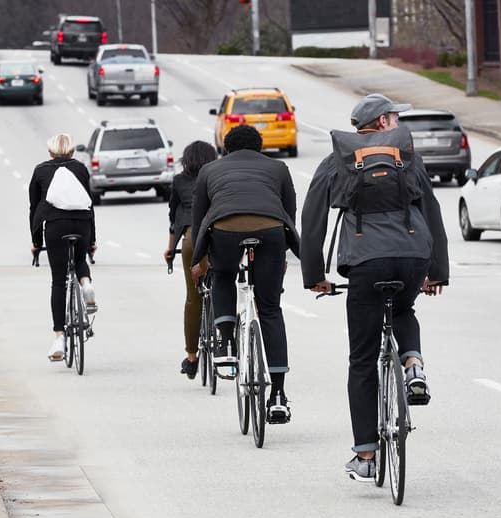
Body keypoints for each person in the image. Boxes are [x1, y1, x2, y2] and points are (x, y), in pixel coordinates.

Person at [300, 94, 449, 480]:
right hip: (414, 256)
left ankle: (366, 458)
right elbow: (431, 210)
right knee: (402, 309)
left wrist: (314, 273)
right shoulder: (408, 158)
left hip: (365, 262)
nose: (400, 122)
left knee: (363, 360)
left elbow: (313, 217)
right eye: (396, 117)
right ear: (383, 122)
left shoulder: (337, 161)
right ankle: (413, 364)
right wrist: (436, 271)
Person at [190, 125, 300, 423]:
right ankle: (277, 395)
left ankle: (226, 343)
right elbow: (289, 210)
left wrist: (200, 258)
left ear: (226, 148)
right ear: (259, 146)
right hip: (271, 231)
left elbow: (199, 217)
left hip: (225, 230)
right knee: (270, 309)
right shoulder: (278, 168)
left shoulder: (209, 170)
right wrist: (283, 252)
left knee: (223, 275)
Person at [29, 133, 97, 361]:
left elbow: (35, 209)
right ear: (71, 151)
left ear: (50, 152)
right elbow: (90, 204)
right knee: (79, 261)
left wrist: (36, 243)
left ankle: (59, 337)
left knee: (58, 280)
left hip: (55, 226)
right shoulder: (80, 169)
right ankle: (86, 285)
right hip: (82, 223)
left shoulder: (40, 171)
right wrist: (92, 241)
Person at [164, 140, 217, 379]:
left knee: (192, 296)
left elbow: (173, 215)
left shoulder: (179, 181)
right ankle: (227, 343)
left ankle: (192, 356)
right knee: (223, 288)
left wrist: (169, 248)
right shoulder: (218, 176)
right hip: (219, 235)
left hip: (190, 239)